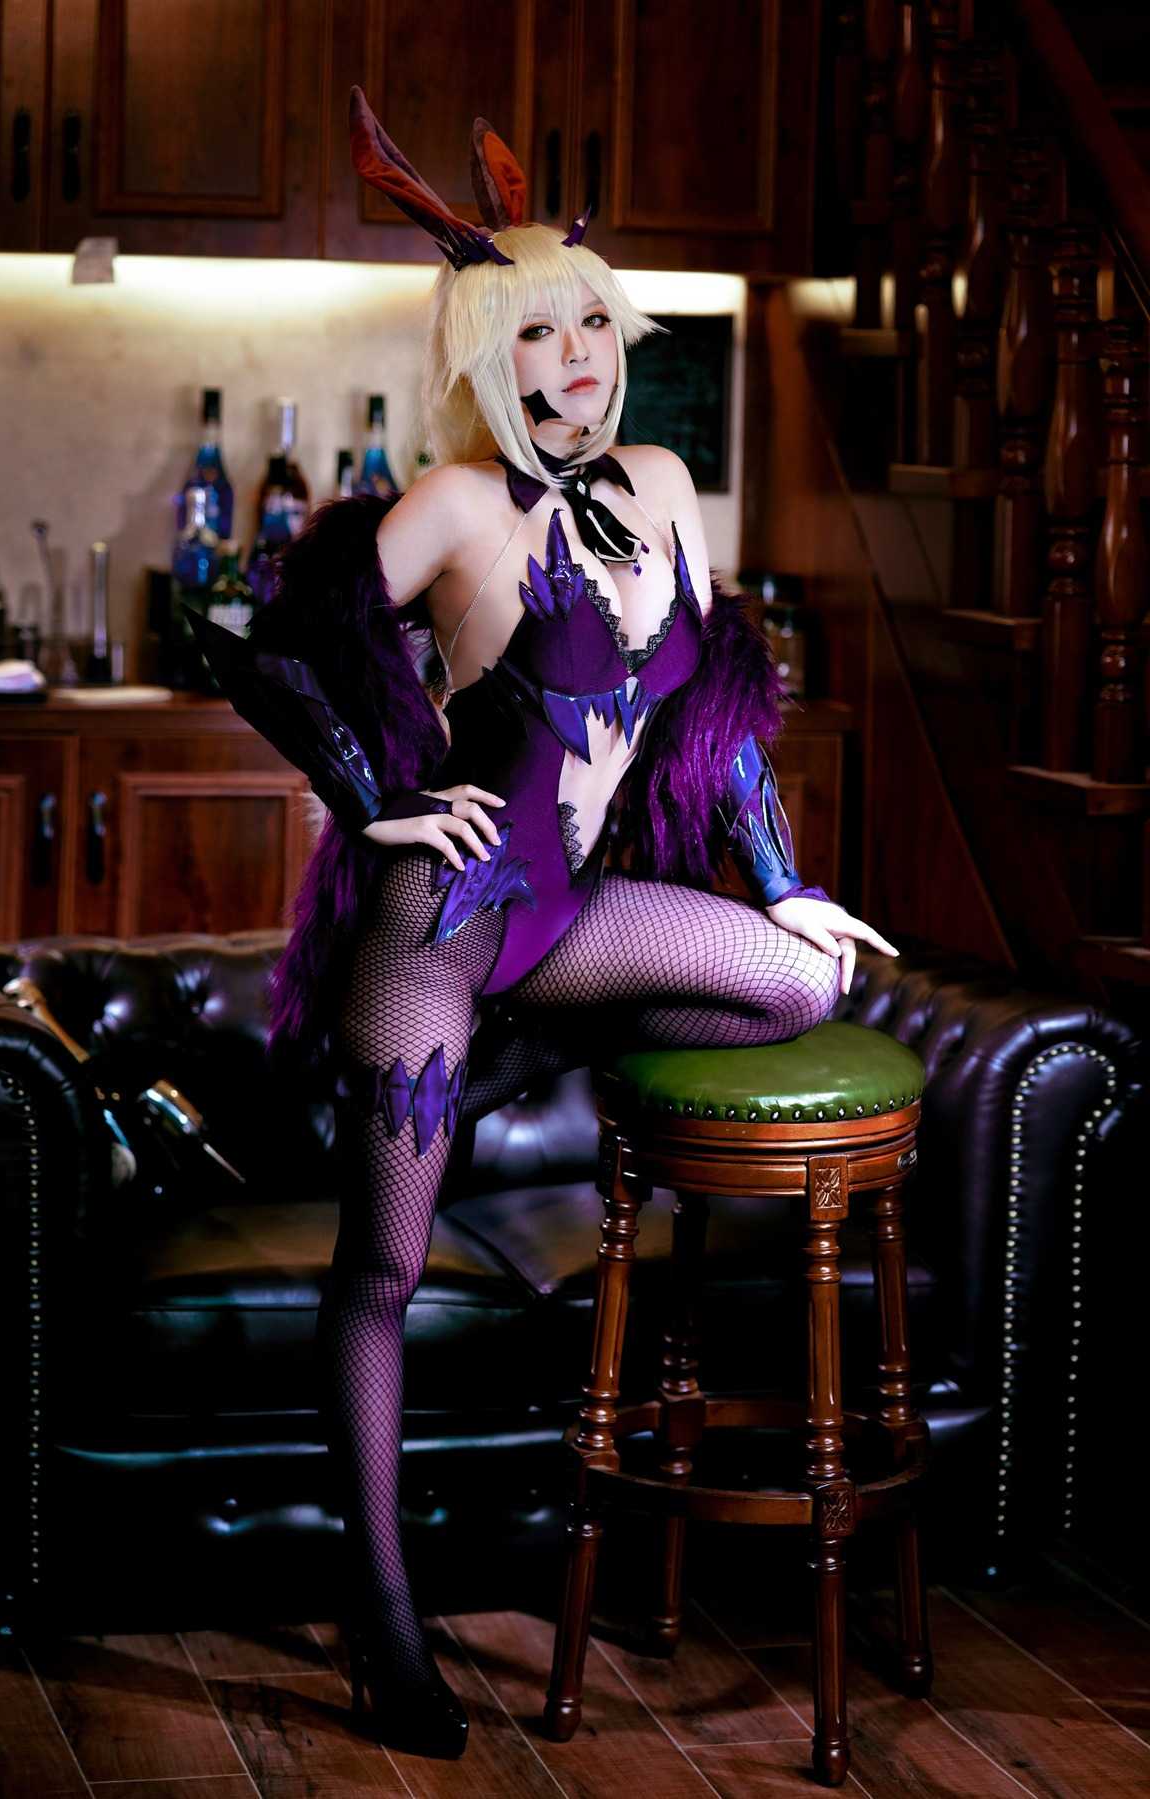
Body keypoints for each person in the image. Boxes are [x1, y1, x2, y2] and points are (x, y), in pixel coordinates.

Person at [189, 89, 899, 1761]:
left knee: (801, 977)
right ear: (487, 356)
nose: (576, 357)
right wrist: (377, 791)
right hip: (437, 926)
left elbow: (715, 713)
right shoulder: (453, 502)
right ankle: (383, 1620)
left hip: (564, 920)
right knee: (383, 1266)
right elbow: (253, 629)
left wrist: (781, 877)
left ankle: (531, 1048)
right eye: (538, 334)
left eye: (591, 324)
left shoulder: (661, 482)